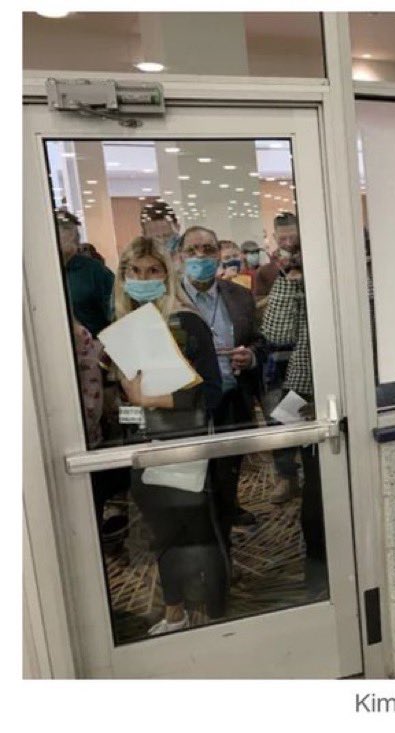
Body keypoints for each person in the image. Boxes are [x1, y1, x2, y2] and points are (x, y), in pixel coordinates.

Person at [110, 236, 226, 634]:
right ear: (122, 277)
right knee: (162, 534)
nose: (143, 279)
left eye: (153, 270)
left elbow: (211, 391)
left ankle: (205, 612)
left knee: (194, 534)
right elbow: (126, 399)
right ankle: (174, 610)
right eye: (134, 271)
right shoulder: (124, 328)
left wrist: (153, 400)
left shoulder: (187, 321)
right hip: (142, 445)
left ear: (167, 274)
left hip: (184, 444)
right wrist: (132, 409)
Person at [177, 226, 266, 533]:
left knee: (230, 462)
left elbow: (258, 340)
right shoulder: (169, 301)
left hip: (233, 394)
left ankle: (228, 508)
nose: (200, 256)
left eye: (208, 249)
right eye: (192, 250)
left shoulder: (240, 296)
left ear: (218, 255)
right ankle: (204, 525)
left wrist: (251, 356)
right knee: (196, 469)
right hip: (190, 402)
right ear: (180, 257)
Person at [260, 244, 328, 600]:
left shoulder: (363, 278)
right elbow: (276, 333)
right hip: (308, 394)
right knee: (316, 491)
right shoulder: (298, 283)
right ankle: (319, 573)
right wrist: (290, 279)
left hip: (363, 393)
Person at [57, 210, 114, 337]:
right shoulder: (43, 274)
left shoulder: (94, 270)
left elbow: (115, 311)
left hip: (95, 345)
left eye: (72, 233)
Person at [253, 212, 300, 300]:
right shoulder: (264, 271)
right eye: (282, 239)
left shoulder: (309, 263)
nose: (288, 243)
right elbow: (259, 305)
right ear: (274, 237)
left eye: (293, 237)